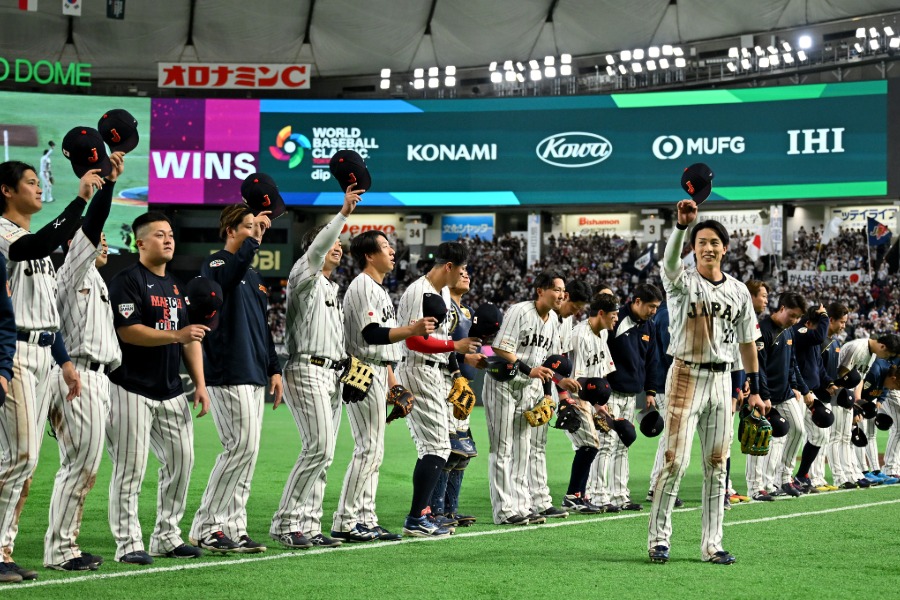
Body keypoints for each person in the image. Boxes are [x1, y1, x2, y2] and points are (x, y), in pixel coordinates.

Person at [648, 200, 764, 565]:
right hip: (685, 375)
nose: (708, 247)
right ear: (693, 248)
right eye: (701, 242)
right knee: (674, 462)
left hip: (722, 380)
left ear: (725, 248)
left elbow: (747, 342)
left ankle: (712, 544)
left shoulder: (740, 291)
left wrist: (755, 388)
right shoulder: (681, 282)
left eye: (715, 241)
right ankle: (658, 540)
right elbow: (668, 262)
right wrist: (682, 226)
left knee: (718, 465)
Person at [0, 160, 88, 583]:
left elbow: (47, 312)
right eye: (31, 183)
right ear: (6, 190)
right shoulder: (3, 231)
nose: (38, 188)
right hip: (12, 349)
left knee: (24, 461)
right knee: (20, 455)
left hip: (41, 352)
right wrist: (80, 201)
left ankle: (4, 549)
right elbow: (31, 247)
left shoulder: (36, 243)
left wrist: (65, 361)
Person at [106, 211, 211, 565]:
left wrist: (200, 384)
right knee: (129, 468)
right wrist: (177, 335)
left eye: (170, 235)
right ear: (140, 242)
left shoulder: (178, 286)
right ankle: (128, 543)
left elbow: (191, 339)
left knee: (182, 463)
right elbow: (128, 331)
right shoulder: (127, 281)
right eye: (159, 235)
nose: (168, 240)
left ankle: (167, 536)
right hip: (130, 387)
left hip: (171, 390)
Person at [44, 151, 126, 571]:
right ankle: (60, 550)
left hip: (97, 377)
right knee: (81, 465)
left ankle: (65, 546)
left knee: (85, 464)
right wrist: (108, 184)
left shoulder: (95, 278)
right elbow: (91, 226)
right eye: (95, 238)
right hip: (77, 373)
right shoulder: (71, 270)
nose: (103, 240)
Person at [269, 185, 361, 549]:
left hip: (331, 374)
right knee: (318, 447)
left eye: (341, 243)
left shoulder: (330, 287)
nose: (338, 246)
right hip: (306, 369)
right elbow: (319, 248)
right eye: (332, 242)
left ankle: (308, 524)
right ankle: (285, 522)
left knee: (326, 453)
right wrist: (343, 215)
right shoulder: (303, 275)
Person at [189, 203, 282, 553]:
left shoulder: (254, 277)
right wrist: (252, 243)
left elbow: (263, 329)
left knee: (248, 452)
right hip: (228, 370)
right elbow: (225, 280)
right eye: (246, 226)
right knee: (239, 448)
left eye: (256, 227)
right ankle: (207, 526)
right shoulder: (215, 263)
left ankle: (233, 525)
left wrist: (274, 368)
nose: (255, 231)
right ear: (230, 231)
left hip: (254, 371)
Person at [333, 230, 436, 542]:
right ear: (369, 254)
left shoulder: (376, 288)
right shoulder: (363, 285)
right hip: (363, 371)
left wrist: (394, 383)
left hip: (377, 370)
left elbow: (383, 346)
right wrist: (412, 329)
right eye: (385, 247)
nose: (392, 252)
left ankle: (365, 517)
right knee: (367, 449)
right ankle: (345, 521)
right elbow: (371, 335)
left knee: (374, 451)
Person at [395, 242, 481, 537]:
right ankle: (417, 517)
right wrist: (454, 346)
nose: (463, 273)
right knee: (437, 447)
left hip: (437, 369)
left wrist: (456, 366)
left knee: (440, 446)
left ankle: (427, 512)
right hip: (418, 367)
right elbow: (413, 340)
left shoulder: (442, 292)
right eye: (461, 268)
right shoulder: (420, 291)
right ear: (448, 267)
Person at [484, 271, 579, 525]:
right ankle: (504, 510)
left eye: (563, 290)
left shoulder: (552, 322)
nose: (561, 295)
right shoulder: (520, 311)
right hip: (502, 384)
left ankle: (522, 506)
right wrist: (530, 370)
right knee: (502, 448)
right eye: (556, 289)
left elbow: (546, 364)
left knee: (523, 448)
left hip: (528, 388)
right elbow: (500, 347)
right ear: (540, 291)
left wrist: (550, 393)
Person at [589, 283, 662, 512]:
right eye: (651, 306)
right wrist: (598, 391)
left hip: (631, 396)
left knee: (623, 445)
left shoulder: (649, 326)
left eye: (657, 307)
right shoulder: (616, 321)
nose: (654, 311)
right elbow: (599, 352)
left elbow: (652, 360)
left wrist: (650, 391)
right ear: (637, 301)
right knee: (606, 444)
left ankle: (620, 495)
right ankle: (599, 495)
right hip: (609, 394)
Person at [428, 269, 482, 527]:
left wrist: (488, 358)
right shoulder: (445, 307)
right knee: (448, 449)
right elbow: (442, 344)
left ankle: (450, 510)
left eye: (468, 272)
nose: (466, 275)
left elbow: (474, 347)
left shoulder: (468, 312)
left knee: (463, 452)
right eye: (460, 272)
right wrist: (461, 362)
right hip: (449, 382)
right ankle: (435, 510)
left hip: (465, 387)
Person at [747, 292, 812, 501]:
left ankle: (783, 478)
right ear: (781, 308)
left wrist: (800, 388)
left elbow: (792, 364)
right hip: (764, 395)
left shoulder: (789, 332)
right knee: (760, 438)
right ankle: (756, 487)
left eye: (797, 318)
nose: (794, 321)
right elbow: (759, 367)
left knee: (799, 430)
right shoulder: (762, 330)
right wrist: (763, 395)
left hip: (784, 393)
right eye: (792, 316)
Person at [561, 292, 618, 512]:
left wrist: (602, 405)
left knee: (589, 445)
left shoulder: (601, 334)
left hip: (589, 397)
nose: (615, 319)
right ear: (601, 313)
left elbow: (601, 373)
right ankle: (573, 495)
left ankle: (578, 495)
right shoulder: (580, 335)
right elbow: (580, 378)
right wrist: (591, 405)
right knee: (589, 445)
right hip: (576, 397)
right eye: (613, 315)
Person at [790, 304, 833, 493]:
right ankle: (781, 478)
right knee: (793, 435)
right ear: (808, 322)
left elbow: (818, 367)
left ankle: (801, 475)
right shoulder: (800, 330)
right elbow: (819, 335)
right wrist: (824, 316)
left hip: (811, 393)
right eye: (820, 323)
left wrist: (829, 382)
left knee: (819, 434)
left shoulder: (812, 338)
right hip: (798, 391)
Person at [814, 302, 849, 491]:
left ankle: (818, 477)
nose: (844, 326)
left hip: (828, 396)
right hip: (814, 394)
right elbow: (812, 368)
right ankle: (811, 477)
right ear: (831, 319)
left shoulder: (836, 342)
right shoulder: (818, 342)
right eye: (841, 322)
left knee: (824, 437)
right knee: (815, 436)